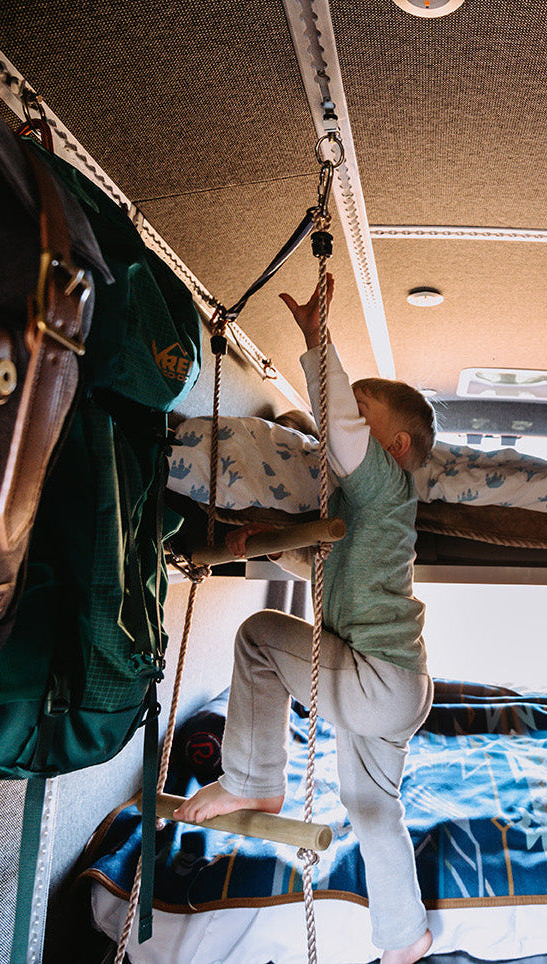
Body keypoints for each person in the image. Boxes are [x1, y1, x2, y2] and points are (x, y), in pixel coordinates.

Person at [174, 275, 437, 964]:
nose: (339, 427)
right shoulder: (367, 519)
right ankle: (406, 938)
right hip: (396, 687)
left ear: (398, 447)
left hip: (378, 678)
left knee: (259, 639)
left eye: (360, 414)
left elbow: (345, 436)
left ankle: (256, 777)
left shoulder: (384, 483)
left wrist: (319, 341)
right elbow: (322, 569)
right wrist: (261, 539)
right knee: (375, 811)